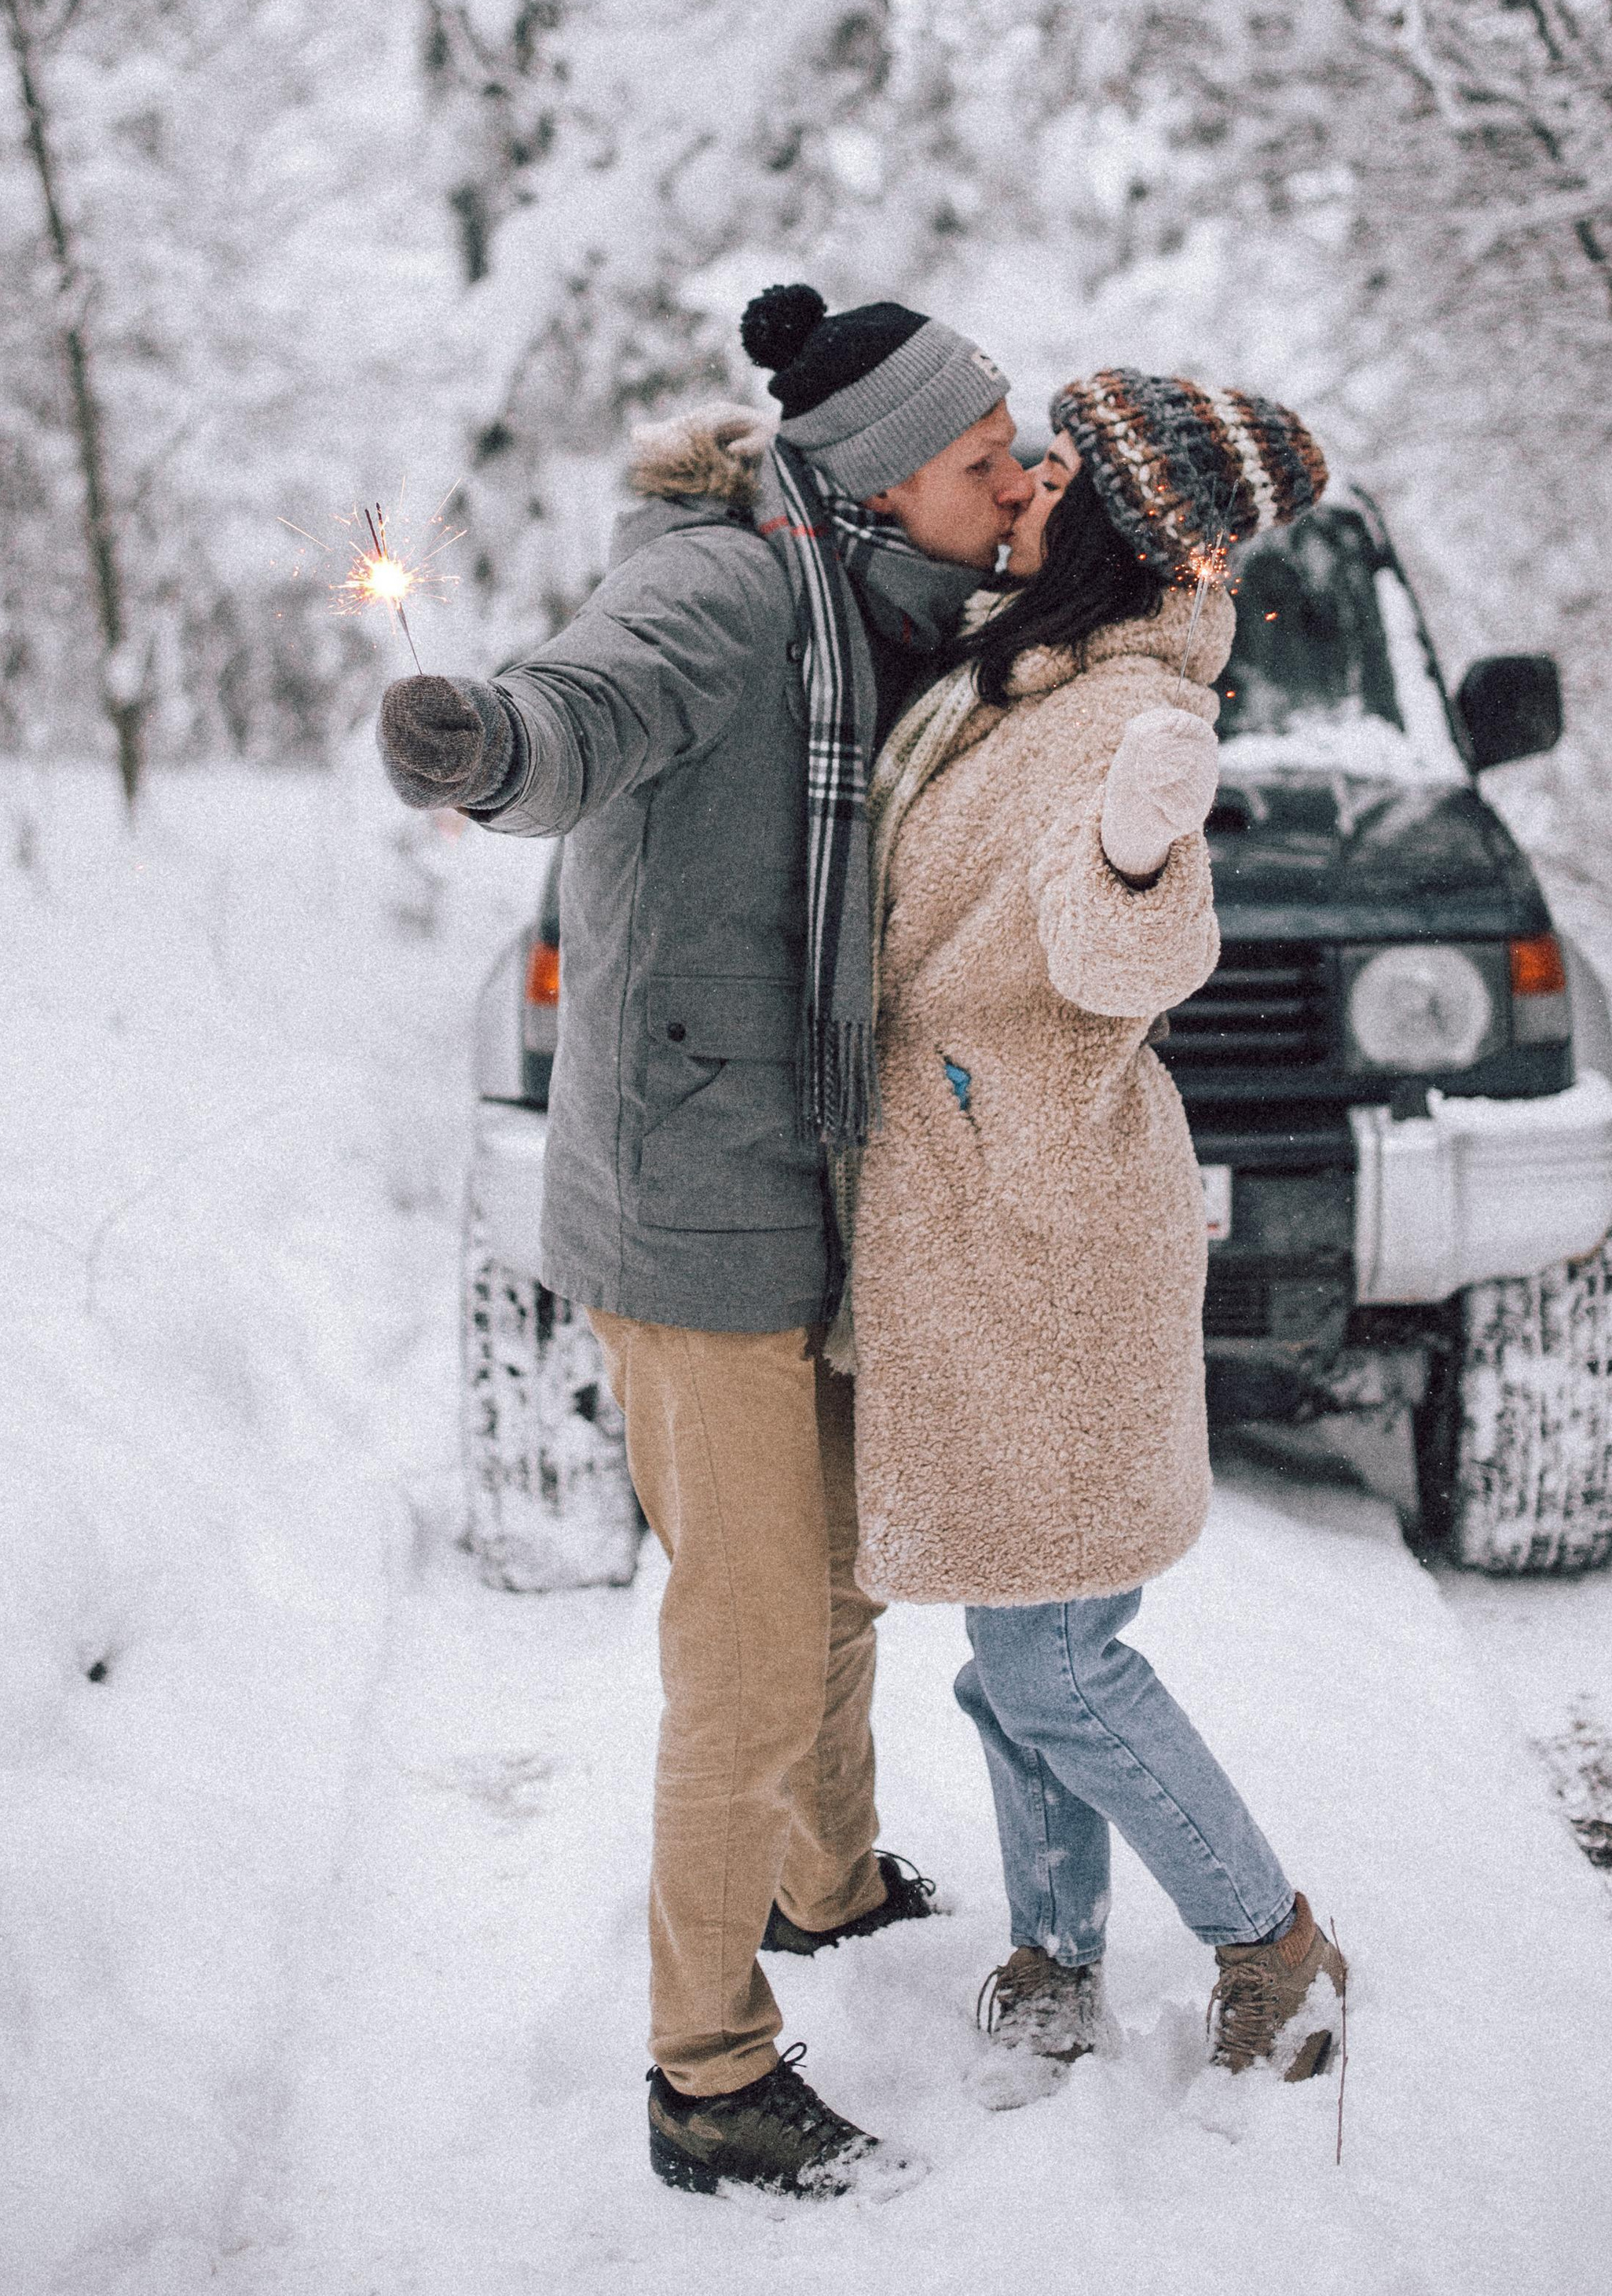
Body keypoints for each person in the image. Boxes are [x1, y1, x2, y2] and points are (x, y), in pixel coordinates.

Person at [376, 284, 1030, 2199]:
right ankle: (706, 2073)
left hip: (814, 1170)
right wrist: (480, 741)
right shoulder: (736, 599)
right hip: (692, 1190)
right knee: (747, 1643)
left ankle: (823, 1881)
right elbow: (582, 708)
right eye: (984, 465)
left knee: (835, 1577)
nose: (1012, 491)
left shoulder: (893, 618)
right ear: (884, 479)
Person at [845, 367, 1350, 2091]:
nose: (1032, 480)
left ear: (1124, 524)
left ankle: (1270, 1942)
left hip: (1040, 1237)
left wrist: (1143, 858)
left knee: (1051, 1653)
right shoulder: (1022, 671)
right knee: (1019, 1648)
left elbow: (1116, 957)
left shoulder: (1120, 717)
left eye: (1059, 465)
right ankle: (1054, 1951)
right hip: (987, 1223)